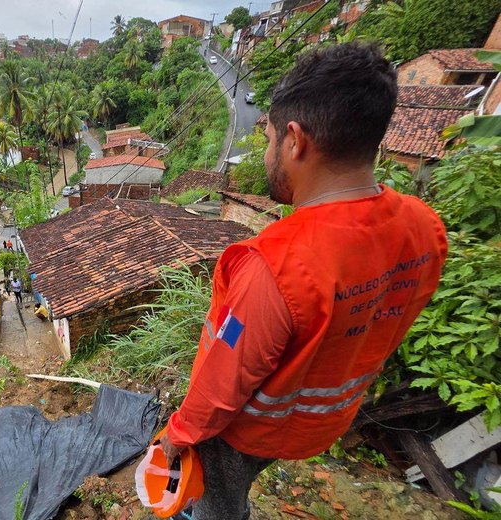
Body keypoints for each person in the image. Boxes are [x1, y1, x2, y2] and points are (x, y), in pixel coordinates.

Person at [158, 43, 447, 520]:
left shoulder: (276, 266)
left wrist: (178, 435)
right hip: (329, 421)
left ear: (295, 140)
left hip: (253, 432)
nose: (269, 149)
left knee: (219, 505)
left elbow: (224, 382)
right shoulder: (424, 228)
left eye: (269, 137)